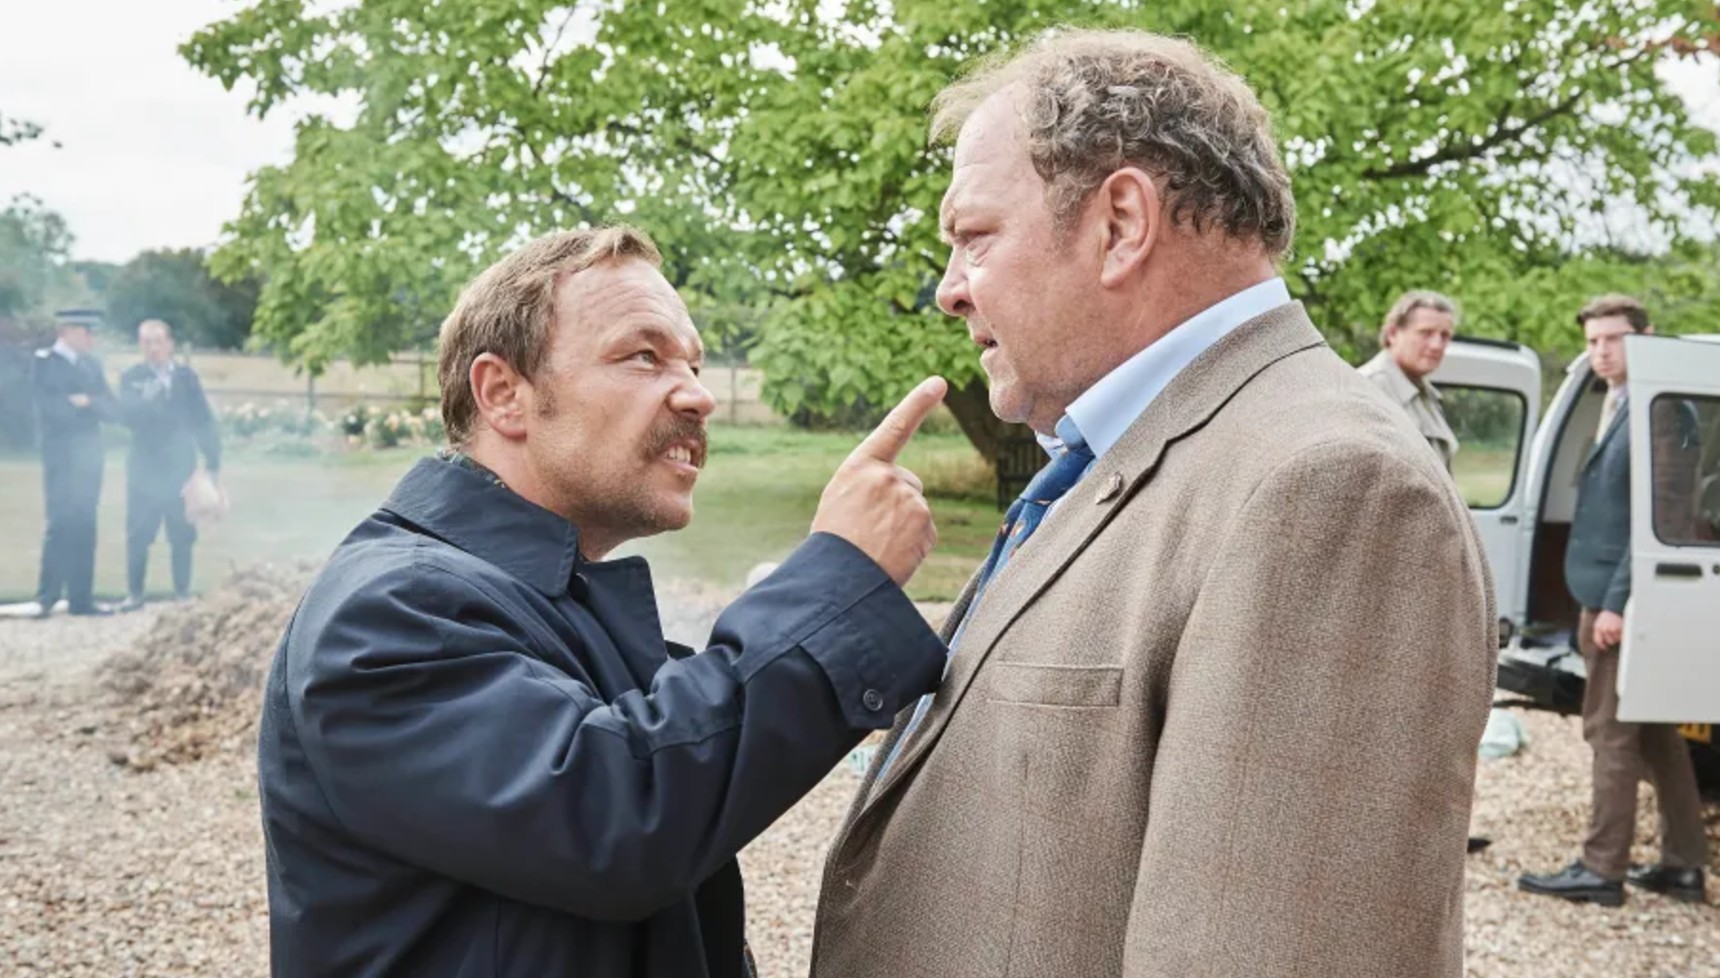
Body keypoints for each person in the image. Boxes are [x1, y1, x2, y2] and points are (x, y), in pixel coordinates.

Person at [810, 30, 1497, 978]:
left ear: (1123, 223)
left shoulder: (1332, 488)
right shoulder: (1134, 449)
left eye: (973, 237)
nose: (949, 291)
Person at [257, 226, 950, 978]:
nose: (698, 393)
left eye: (693, 361)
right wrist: (838, 581)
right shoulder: (391, 608)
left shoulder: (542, 594)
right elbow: (619, 815)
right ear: (503, 394)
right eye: (643, 356)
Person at [1518, 295, 1709, 906]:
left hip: (1619, 601)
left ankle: (1601, 869)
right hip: (1604, 593)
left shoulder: (1662, 411)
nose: (1601, 352)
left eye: (1613, 339)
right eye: (1594, 341)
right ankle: (1683, 863)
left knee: (1610, 735)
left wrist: (1618, 604)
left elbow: (1663, 516)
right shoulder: (1624, 403)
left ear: (1646, 337)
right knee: (1655, 735)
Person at [115, 319, 221, 611]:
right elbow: (125, 417)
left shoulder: (187, 378)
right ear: (141, 346)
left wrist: (212, 463)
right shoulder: (132, 378)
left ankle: (182, 592)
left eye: (158, 341)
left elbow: (203, 419)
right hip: (144, 470)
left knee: (182, 533)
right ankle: (135, 594)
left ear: (170, 344)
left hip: (180, 469)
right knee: (138, 534)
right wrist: (146, 400)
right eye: (147, 342)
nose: (153, 348)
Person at [30, 308, 117, 618]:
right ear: (67, 331)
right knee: (59, 523)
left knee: (85, 524)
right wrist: (85, 405)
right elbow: (54, 411)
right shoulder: (45, 364)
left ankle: (81, 598)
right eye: (87, 332)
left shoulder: (92, 365)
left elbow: (111, 408)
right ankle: (47, 596)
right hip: (61, 457)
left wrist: (87, 402)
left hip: (90, 457)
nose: (92, 339)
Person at [1359, 290, 1460, 470]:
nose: (1437, 345)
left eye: (1445, 336)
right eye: (1426, 333)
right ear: (1392, 334)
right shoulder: (1367, 389)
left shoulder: (1428, 396)